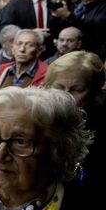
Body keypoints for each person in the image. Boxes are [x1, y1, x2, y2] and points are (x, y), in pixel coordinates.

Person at [44, 50, 105, 188]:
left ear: (94, 92)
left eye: (77, 89)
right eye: (59, 87)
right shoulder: (38, 115)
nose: (65, 96)